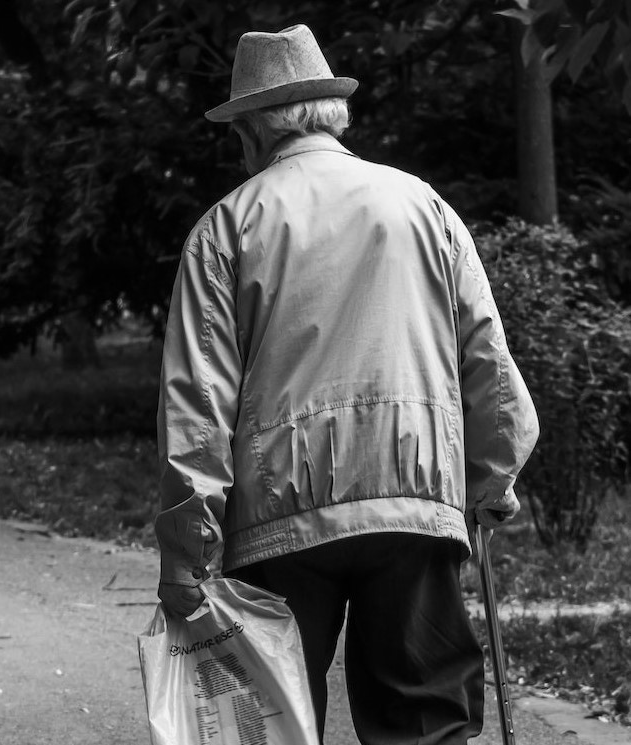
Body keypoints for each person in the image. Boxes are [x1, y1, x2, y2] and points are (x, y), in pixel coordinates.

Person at [154, 24, 539, 745]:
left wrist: (187, 556)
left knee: (265, 726)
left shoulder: (226, 227)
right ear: (330, 113)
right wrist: (491, 480)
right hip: (414, 503)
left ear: (251, 130)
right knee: (423, 723)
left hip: (278, 522)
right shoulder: (425, 207)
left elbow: (197, 408)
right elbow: (485, 357)